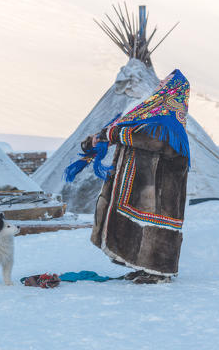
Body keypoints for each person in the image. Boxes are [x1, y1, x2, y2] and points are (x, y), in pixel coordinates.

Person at [68, 70, 190, 284]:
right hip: (141, 183)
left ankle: (159, 271)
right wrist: (98, 139)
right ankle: (142, 267)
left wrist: (114, 135)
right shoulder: (145, 114)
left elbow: (154, 141)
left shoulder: (171, 123)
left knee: (157, 226)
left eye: (165, 83)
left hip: (161, 187)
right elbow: (122, 130)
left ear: (173, 90)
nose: (160, 84)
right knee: (138, 223)